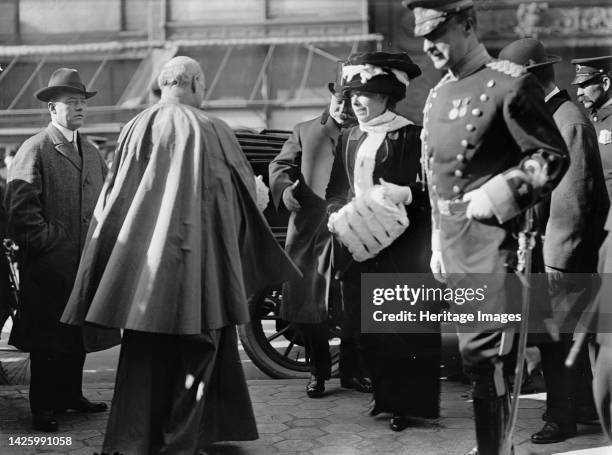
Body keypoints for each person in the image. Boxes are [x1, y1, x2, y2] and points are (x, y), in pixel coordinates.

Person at [60, 56, 299, 455]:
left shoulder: (135, 126)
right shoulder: (212, 129)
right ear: (194, 82)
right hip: (195, 269)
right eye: (203, 85)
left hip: (143, 274)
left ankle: (134, 440)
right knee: (197, 354)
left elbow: (115, 195)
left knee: (143, 359)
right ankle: (181, 443)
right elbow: (241, 198)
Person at [403, 1, 569, 453]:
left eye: (437, 33)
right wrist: (437, 238)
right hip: (455, 246)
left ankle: (494, 447)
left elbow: (550, 157)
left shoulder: (508, 83)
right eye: (422, 35)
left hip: (498, 245)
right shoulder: (437, 94)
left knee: (489, 357)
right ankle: (496, 445)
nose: (428, 45)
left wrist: (496, 196)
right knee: (477, 361)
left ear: (468, 26)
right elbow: (433, 173)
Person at [500, 38, 608, 444]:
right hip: (544, 251)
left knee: (554, 341)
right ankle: (580, 409)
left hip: (560, 256)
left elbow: (571, 205)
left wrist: (554, 266)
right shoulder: (549, 117)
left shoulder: (568, 122)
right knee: (555, 338)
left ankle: (560, 419)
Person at [326, 51, 441, 432]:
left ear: (386, 97)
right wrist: (334, 213)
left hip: (401, 250)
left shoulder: (410, 134)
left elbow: (429, 192)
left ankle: (406, 406)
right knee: (366, 331)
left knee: (401, 330)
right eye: (352, 94)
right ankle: (384, 395)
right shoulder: (349, 136)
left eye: (366, 95)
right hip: (356, 248)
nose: (356, 102)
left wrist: (406, 194)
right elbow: (336, 189)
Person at [4, 68, 109, 432]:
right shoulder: (36, 148)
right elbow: (21, 211)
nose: (80, 108)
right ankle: (43, 408)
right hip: (50, 267)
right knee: (48, 341)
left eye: (82, 102)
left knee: (76, 335)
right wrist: (51, 242)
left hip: (84, 263)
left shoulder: (93, 152)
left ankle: (71, 396)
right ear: (52, 108)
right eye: (72, 103)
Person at [268, 75, 372, 398]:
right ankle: (318, 373)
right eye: (339, 101)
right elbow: (280, 166)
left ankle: (352, 374)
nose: (343, 108)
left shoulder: (363, 134)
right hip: (309, 234)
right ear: (331, 98)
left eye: (350, 102)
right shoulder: (305, 130)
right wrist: (285, 192)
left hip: (350, 232)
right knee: (310, 309)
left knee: (353, 307)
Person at [571, 56, 612, 200]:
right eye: (578, 87)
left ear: (605, 83)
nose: (578, 93)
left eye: (584, 85)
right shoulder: (587, 121)